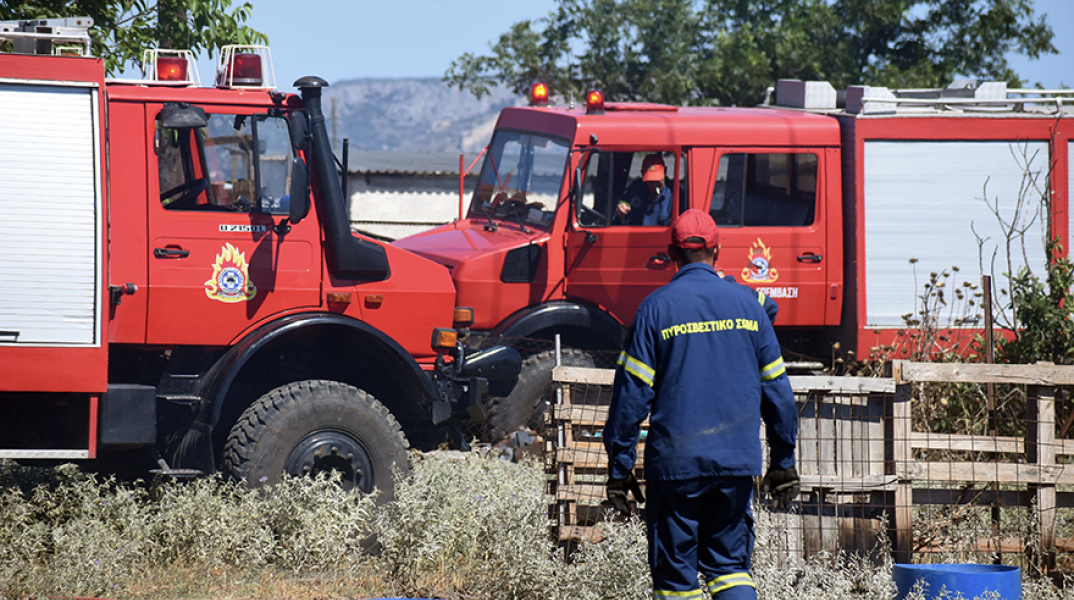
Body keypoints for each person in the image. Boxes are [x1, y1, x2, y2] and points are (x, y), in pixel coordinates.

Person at [603, 209, 799, 600]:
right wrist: (783, 462)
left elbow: (630, 398)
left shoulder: (654, 310)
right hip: (736, 464)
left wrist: (619, 468)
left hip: (676, 468)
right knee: (729, 570)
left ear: (671, 253)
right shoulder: (750, 309)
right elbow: (778, 392)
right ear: (718, 250)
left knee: (676, 583)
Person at [615, 153, 673, 226]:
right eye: (650, 181)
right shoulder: (634, 189)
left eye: (658, 181)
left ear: (665, 172)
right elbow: (621, 204)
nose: (655, 185)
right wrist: (621, 209)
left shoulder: (675, 193)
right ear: (642, 174)